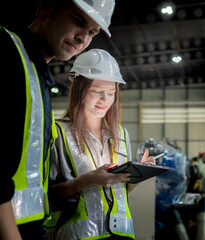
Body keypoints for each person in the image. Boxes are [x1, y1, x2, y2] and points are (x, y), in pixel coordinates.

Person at [0, 0, 116, 239]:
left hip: (31, 226)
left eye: (92, 33)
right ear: (47, 7)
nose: (82, 39)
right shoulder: (7, 54)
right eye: (78, 21)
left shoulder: (38, 77)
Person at [46, 49, 156, 240]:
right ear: (79, 90)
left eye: (111, 93)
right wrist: (88, 180)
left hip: (121, 233)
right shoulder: (58, 132)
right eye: (96, 92)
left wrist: (138, 173)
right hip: (78, 235)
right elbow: (48, 195)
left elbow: (121, 190)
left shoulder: (121, 134)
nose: (105, 100)